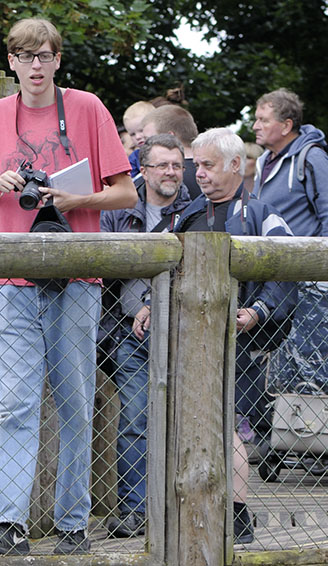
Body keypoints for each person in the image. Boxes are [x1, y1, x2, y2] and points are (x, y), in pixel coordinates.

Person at [0, 17, 137, 556]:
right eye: (25, 56)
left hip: (76, 280)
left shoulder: (87, 109)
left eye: (45, 55)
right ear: (10, 62)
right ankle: (11, 526)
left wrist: (75, 199)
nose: (35, 65)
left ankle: (71, 524)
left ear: (58, 60)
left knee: (75, 404)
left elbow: (126, 194)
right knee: (14, 404)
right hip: (11, 282)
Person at [135, 127, 296, 545]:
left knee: (234, 424)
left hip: (242, 344)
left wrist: (257, 312)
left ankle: (238, 514)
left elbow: (287, 268)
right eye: (197, 166)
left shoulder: (262, 214)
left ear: (235, 165)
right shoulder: (186, 216)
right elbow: (167, 267)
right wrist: (152, 304)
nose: (199, 174)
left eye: (207, 166)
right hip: (187, 342)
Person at [100, 134, 192, 538]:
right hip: (128, 334)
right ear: (143, 169)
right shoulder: (117, 210)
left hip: (188, 333)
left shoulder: (197, 209)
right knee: (136, 418)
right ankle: (136, 510)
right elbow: (103, 264)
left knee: (190, 420)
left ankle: (186, 508)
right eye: (163, 165)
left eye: (177, 165)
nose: (171, 172)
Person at [252, 88, 328, 399]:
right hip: (275, 280)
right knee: (281, 368)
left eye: (262, 119)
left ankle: (310, 440)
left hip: (310, 285)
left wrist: (321, 274)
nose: (255, 125)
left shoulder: (312, 157)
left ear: (286, 125)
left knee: (310, 368)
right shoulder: (263, 162)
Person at [140, 105, 200, 199]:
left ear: (169, 137)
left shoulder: (152, 177)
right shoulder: (213, 173)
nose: (144, 146)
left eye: (149, 139)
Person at [123, 101, 155, 177]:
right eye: (132, 134)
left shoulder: (169, 150)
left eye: (141, 130)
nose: (138, 137)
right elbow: (132, 182)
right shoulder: (134, 158)